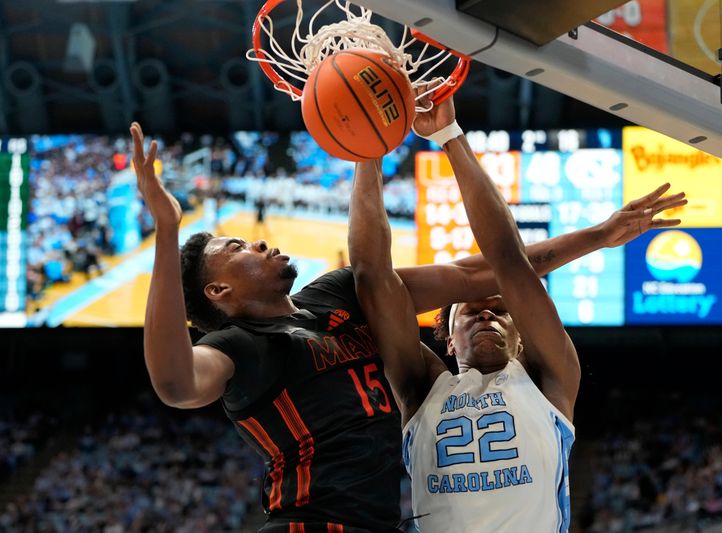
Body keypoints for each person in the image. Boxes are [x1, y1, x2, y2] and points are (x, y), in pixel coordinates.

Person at [129, 121, 684, 532]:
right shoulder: (238, 347)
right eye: (238, 247)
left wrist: (367, 146)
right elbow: (177, 385)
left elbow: (486, 269)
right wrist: (167, 230)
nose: (260, 242)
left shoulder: (333, 298)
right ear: (218, 293)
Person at [347, 94, 687, 532]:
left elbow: (508, 259)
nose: (487, 314)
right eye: (470, 311)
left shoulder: (549, 380)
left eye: (501, 311)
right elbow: (373, 279)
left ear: (522, 338)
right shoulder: (422, 388)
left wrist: (451, 137)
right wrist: (369, 146)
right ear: (447, 339)